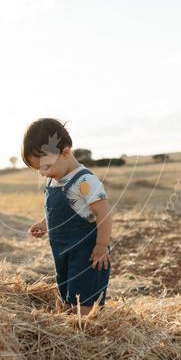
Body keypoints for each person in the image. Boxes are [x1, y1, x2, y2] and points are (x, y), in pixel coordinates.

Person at [22, 118, 113, 316]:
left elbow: (103, 213)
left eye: (46, 167)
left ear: (65, 152)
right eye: (38, 169)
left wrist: (102, 245)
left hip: (88, 254)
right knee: (68, 299)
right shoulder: (55, 180)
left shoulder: (85, 181)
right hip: (62, 253)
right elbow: (61, 211)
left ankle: (87, 337)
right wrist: (44, 223)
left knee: (85, 305)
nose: (43, 174)